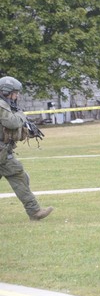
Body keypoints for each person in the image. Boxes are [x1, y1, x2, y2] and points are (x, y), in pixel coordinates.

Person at [0, 76, 54, 221]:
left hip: (3, 151)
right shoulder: (1, 105)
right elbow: (12, 122)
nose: (16, 96)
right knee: (18, 175)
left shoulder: (5, 106)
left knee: (20, 177)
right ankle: (34, 211)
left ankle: (34, 211)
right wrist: (20, 114)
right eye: (15, 93)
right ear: (6, 92)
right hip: (2, 153)